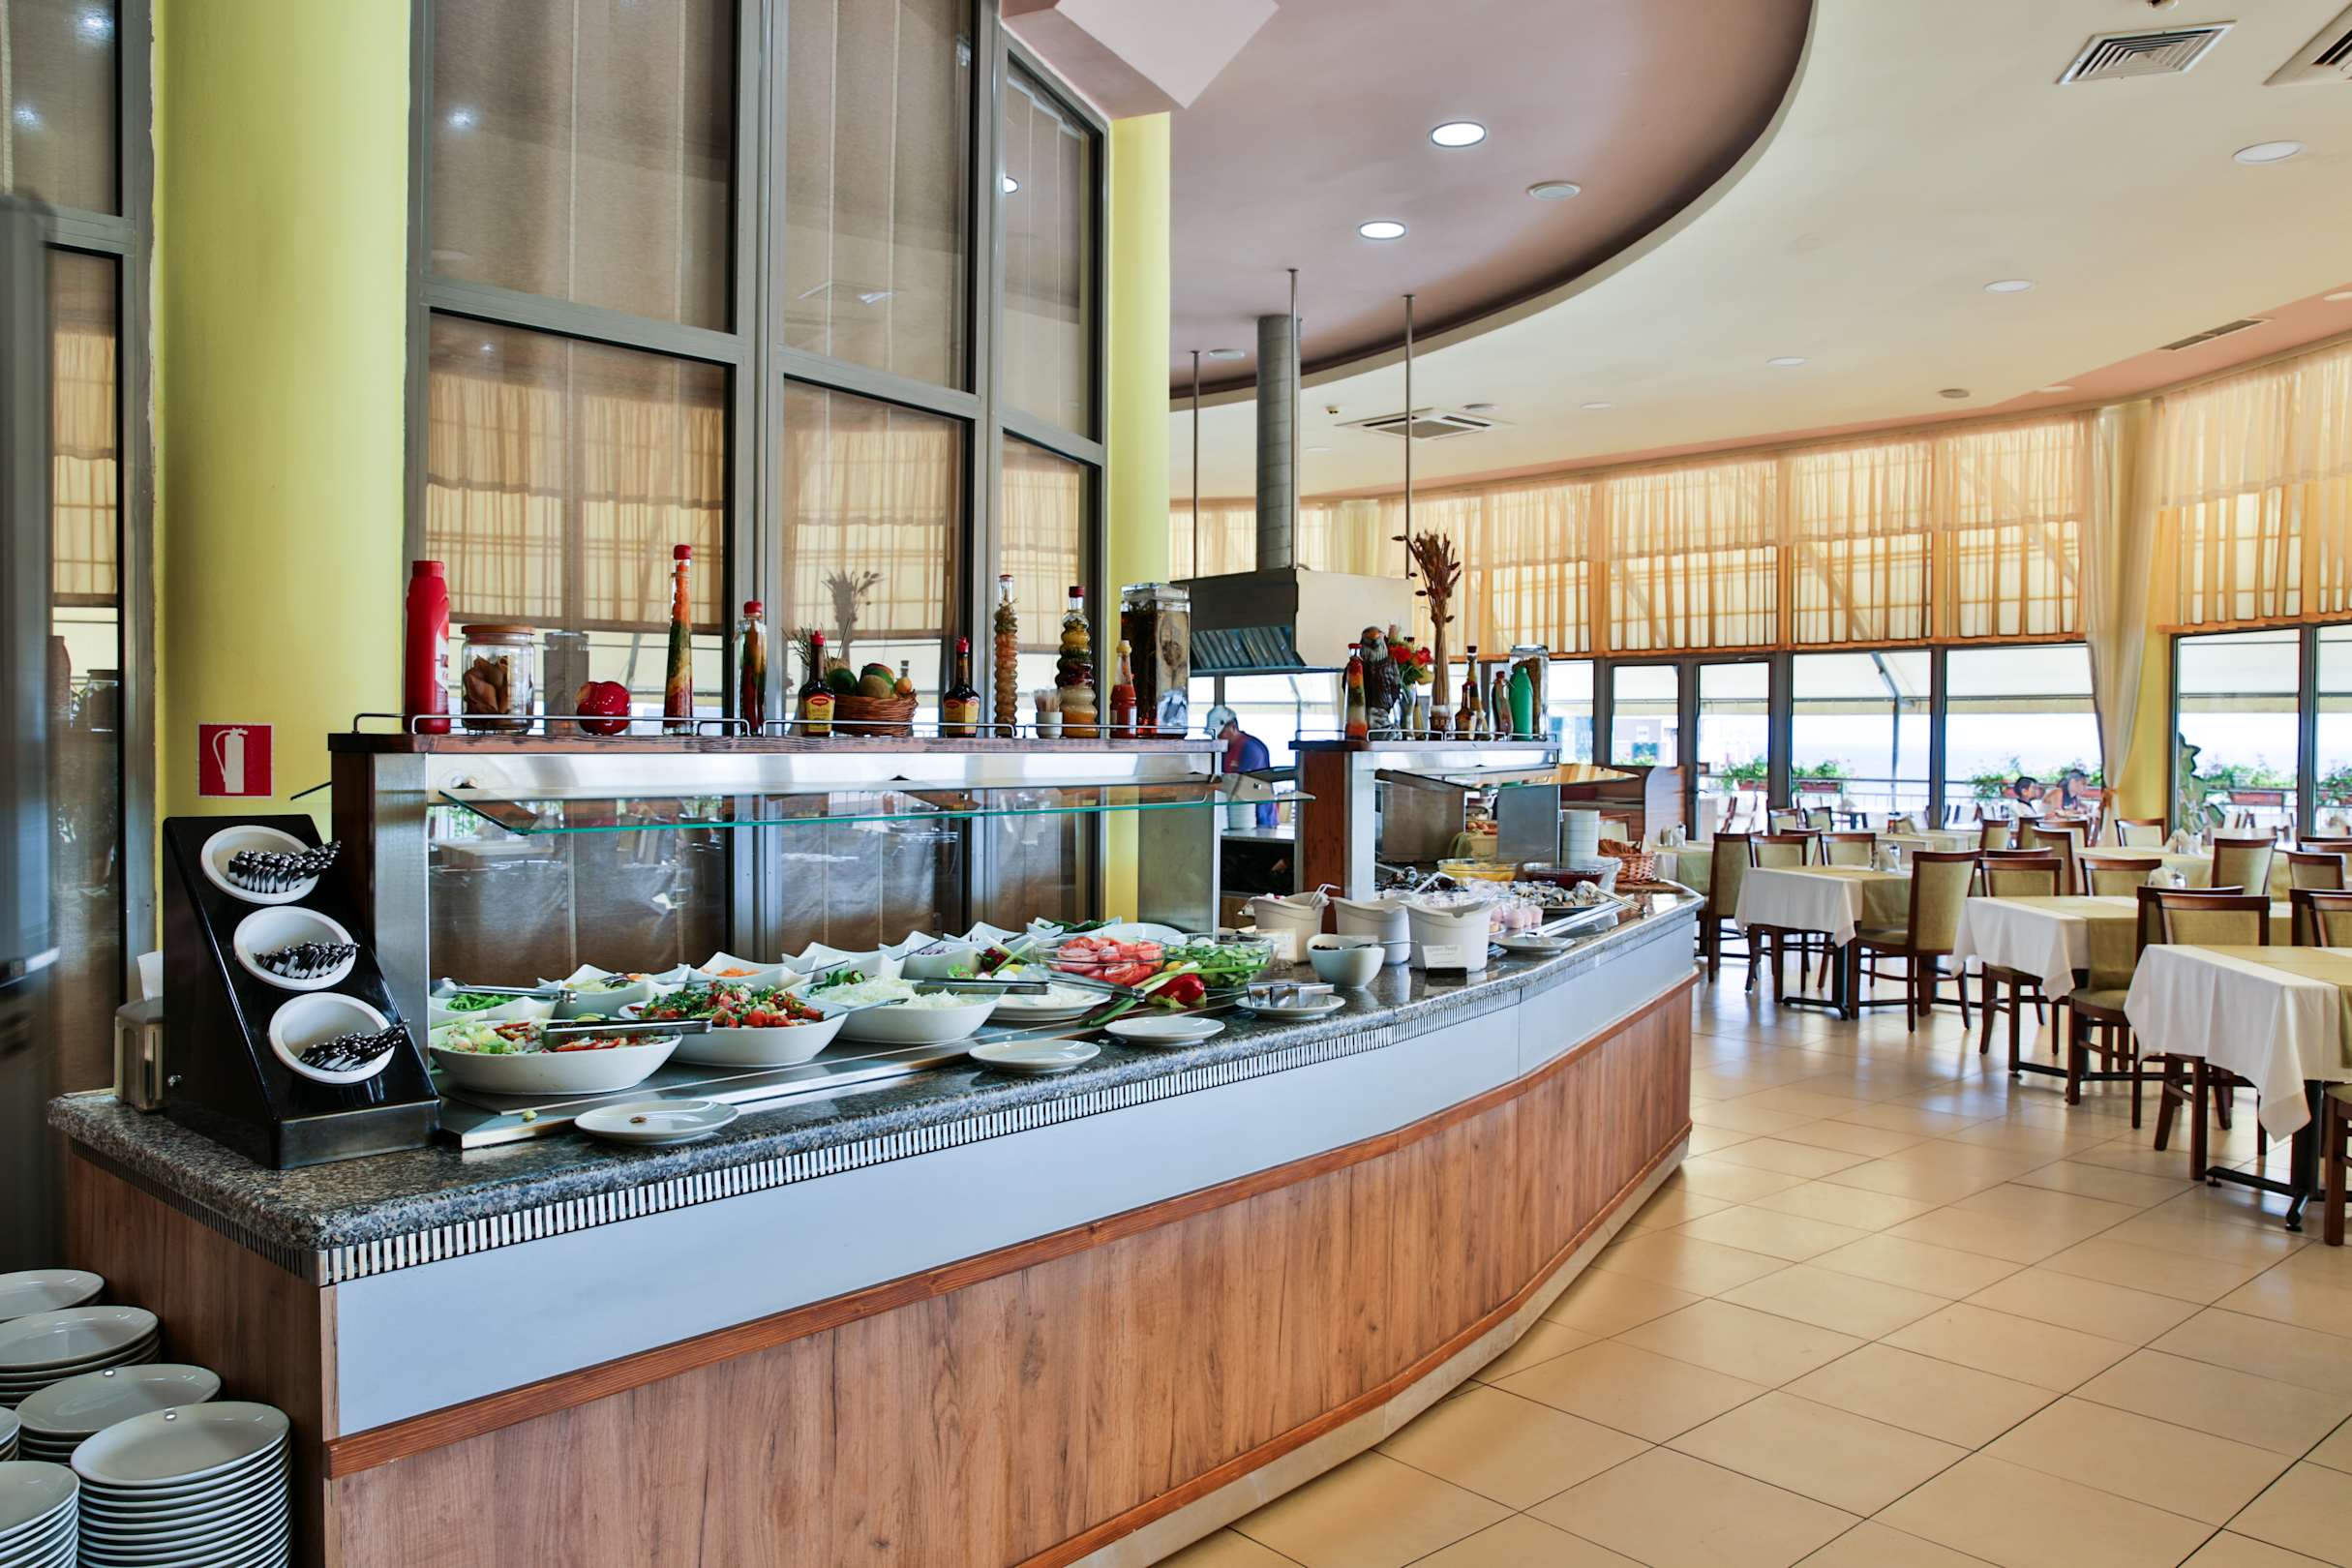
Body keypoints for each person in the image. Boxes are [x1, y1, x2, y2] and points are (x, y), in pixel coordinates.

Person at [1207, 705, 1277, 829]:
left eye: (1221, 733)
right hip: (1236, 819)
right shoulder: (1225, 750)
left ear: (1233, 727)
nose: (1218, 737)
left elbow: (1245, 786)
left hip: (1258, 819)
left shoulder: (1250, 748)